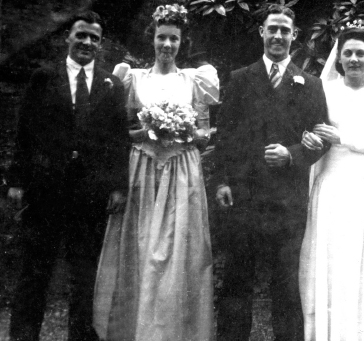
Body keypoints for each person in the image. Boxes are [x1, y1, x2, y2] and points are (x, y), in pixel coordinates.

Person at [92, 4, 219, 341]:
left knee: (179, 250)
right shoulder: (132, 78)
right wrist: (144, 132)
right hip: (143, 171)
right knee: (143, 248)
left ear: (182, 42)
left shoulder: (194, 79)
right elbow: (116, 128)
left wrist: (183, 132)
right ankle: (136, 330)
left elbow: (204, 135)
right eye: (162, 37)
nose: (167, 45)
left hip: (180, 172)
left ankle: (175, 331)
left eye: (173, 39)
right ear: (153, 39)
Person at [6, 11, 130, 341]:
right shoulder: (44, 78)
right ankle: (23, 335)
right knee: (35, 271)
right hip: (45, 189)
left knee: (85, 273)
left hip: (90, 194)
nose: (87, 42)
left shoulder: (111, 85)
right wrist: (17, 179)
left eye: (94, 38)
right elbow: (25, 131)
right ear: (68, 38)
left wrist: (119, 186)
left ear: (100, 44)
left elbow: (119, 141)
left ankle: (81, 336)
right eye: (81, 35)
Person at [213, 4, 329, 341]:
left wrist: (292, 154)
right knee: (236, 281)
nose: (277, 36)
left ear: (295, 36)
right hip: (245, 197)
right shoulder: (240, 78)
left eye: (284, 30)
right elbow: (225, 135)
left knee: (286, 286)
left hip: (287, 201)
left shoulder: (310, 84)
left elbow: (321, 140)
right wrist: (222, 180)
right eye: (272, 29)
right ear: (261, 32)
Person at [299, 25, 364, 340]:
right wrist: (310, 139)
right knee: (334, 261)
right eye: (348, 53)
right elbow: (311, 133)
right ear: (339, 59)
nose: (354, 59)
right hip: (333, 185)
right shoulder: (323, 90)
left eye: (361, 53)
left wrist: (342, 136)